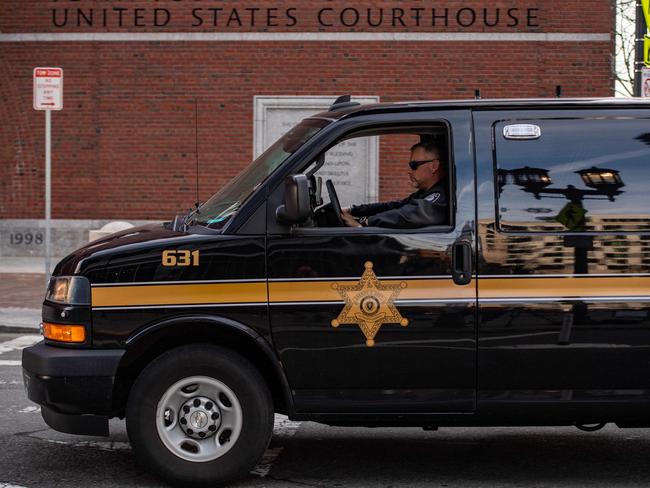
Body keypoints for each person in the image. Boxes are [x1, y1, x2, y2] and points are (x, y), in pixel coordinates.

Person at [341, 141, 448, 228]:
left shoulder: (441, 196)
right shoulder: (423, 193)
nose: (409, 171)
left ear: (434, 166)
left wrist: (365, 223)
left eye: (414, 165)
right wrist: (353, 210)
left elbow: (408, 214)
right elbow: (393, 206)